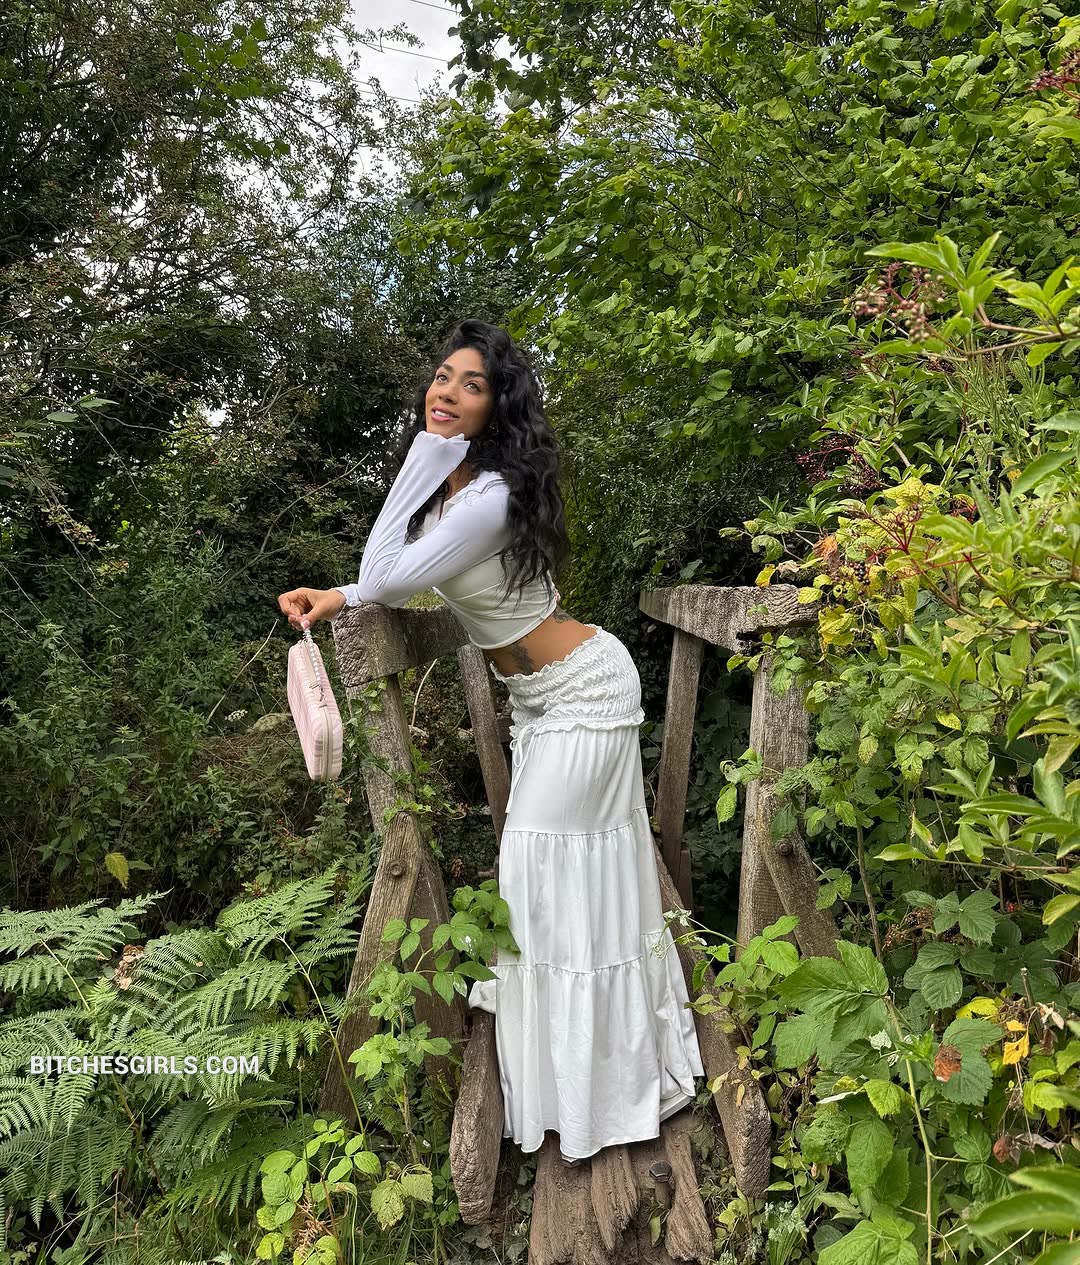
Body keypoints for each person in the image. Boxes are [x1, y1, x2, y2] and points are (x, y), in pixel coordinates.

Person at [278, 319, 703, 1165]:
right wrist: (347, 589)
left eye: (470, 384)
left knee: (538, 870)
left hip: (587, 690)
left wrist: (417, 465)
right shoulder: (455, 490)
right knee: (552, 885)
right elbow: (388, 571)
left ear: (495, 406)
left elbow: (388, 573)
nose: (446, 391)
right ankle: (573, 1083)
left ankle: (602, 1089)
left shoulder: (493, 496)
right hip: (537, 702)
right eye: (441, 376)